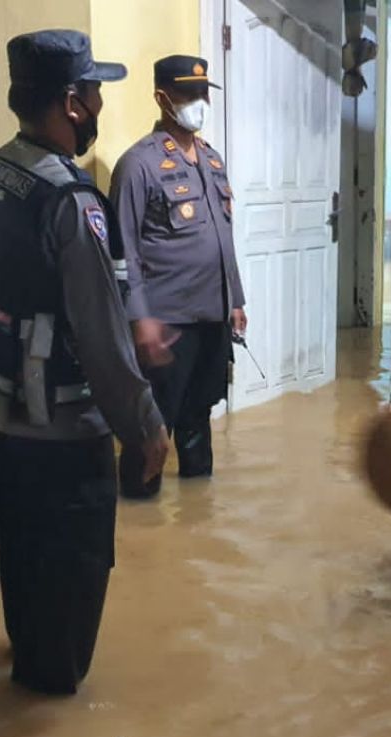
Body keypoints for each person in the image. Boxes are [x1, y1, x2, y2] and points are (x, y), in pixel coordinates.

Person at [0, 29, 170, 695]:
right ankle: (47, 697)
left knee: (24, 550)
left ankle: (30, 661)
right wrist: (146, 427)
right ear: (73, 103)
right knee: (75, 564)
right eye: (97, 92)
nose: (102, 104)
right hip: (59, 424)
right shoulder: (72, 203)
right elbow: (104, 340)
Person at [111, 55, 247, 499]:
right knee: (153, 428)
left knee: (199, 416)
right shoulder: (138, 164)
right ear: (161, 98)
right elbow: (122, 249)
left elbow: (223, 237)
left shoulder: (210, 159)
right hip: (166, 324)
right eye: (189, 95)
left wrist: (236, 300)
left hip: (212, 317)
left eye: (203, 93)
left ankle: (196, 505)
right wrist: (140, 320)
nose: (199, 103)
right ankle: (137, 504)